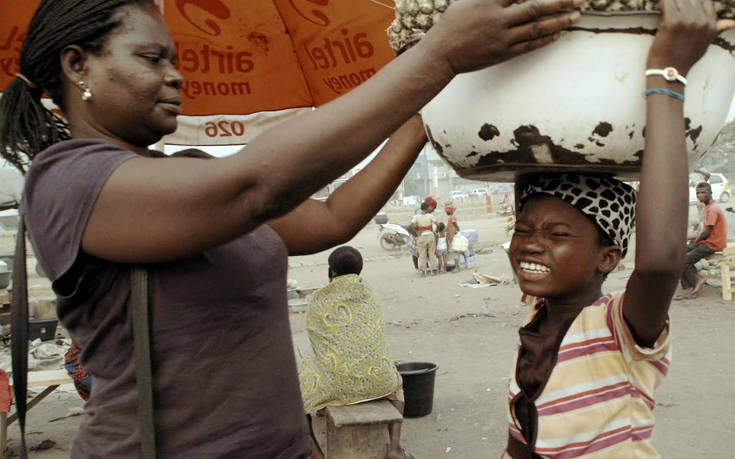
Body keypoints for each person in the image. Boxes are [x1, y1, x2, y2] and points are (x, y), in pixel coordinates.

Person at [0, 0, 584, 455]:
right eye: (151, 60)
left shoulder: (188, 176)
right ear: (78, 65)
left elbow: (331, 218)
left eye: (174, 59)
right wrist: (439, 56)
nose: (176, 77)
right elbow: (258, 184)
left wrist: (428, 110)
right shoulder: (68, 182)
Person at [503, 2, 734, 457]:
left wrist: (666, 76)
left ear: (607, 257)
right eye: (524, 228)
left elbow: (660, 264)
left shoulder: (621, 327)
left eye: (558, 234)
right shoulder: (537, 321)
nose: (531, 243)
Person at [298, 246, 408, 459]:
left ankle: (316, 454)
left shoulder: (319, 299)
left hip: (334, 386)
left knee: (298, 400)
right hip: (378, 381)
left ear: (330, 272)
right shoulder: (369, 294)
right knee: (397, 384)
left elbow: (316, 340)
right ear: (360, 271)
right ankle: (394, 446)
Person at [680, 182, 728, 299]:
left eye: (703, 192)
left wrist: (694, 241)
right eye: (698, 193)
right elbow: (705, 232)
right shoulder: (711, 206)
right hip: (709, 241)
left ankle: (698, 280)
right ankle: (693, 283)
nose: (700, 195)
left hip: (713, 244)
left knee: (683, 260)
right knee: (679, 252)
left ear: (710, 193)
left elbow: (705, 233)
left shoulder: (712, 209)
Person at [411, 201, 439, 275]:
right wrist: (435, 231)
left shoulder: (416, 216)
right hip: (430, 235)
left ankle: (423, 271)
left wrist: (417, 232)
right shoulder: (430, 216)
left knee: (422, 254)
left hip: (422, 236)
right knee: (431, 253)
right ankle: (434, 269)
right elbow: (437, 224)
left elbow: (411, 225)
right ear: (427, 209)